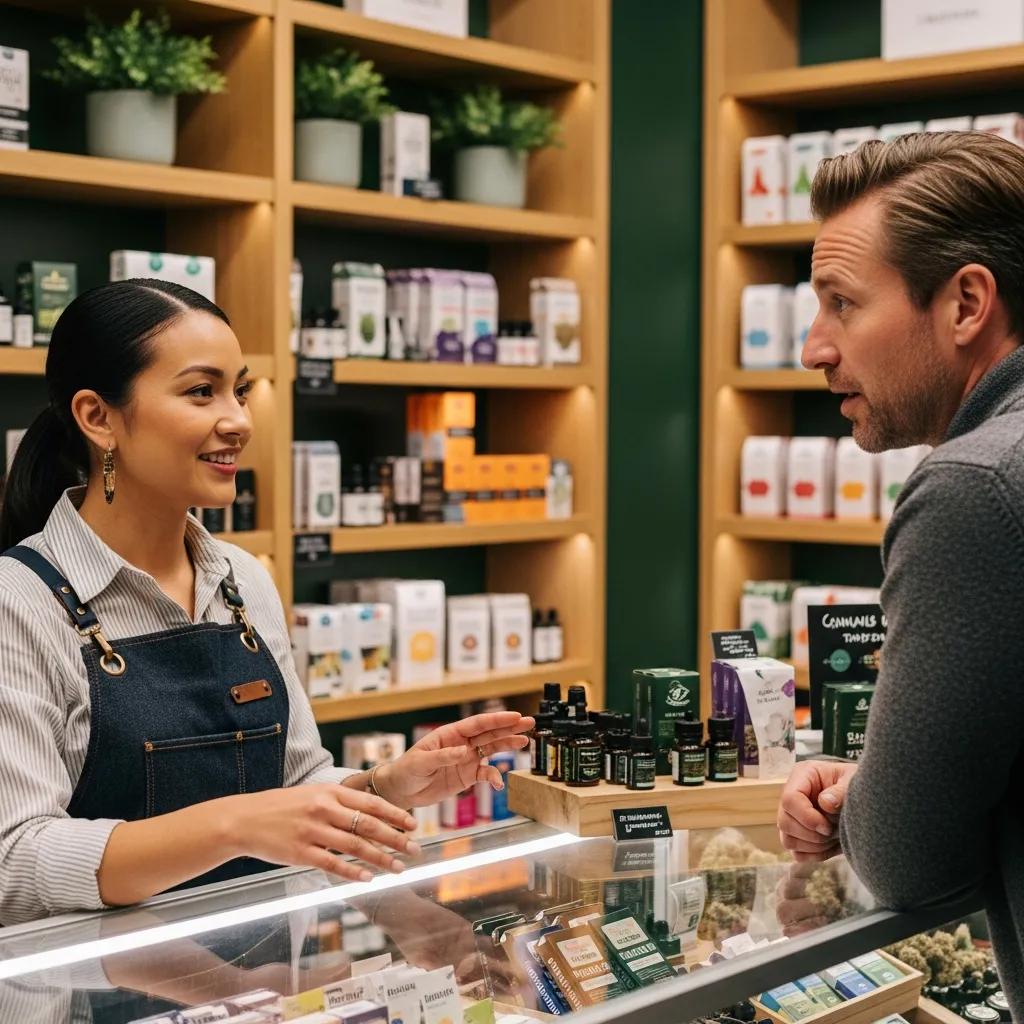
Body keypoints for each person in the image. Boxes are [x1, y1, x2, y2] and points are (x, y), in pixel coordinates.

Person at [0, 279, 532, 926]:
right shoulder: (21, 602)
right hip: (94, 999)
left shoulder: (242, 581)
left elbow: (296, 783)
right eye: (202, 391)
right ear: (97, 417)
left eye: (240, 389)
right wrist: (231, 826)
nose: (240, 420)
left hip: (264, 985)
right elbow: (17, 861)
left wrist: (382, 788)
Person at [777, 130, 1024, 1010]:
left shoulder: (973, 486)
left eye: (842, 303)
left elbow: (912, 866)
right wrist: (891, 774)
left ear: (966, 303)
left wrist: (876, 797)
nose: (814, 346)